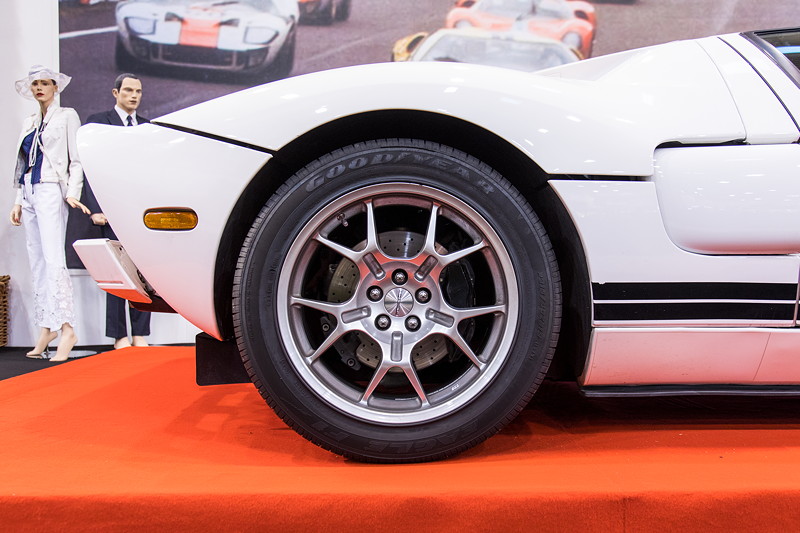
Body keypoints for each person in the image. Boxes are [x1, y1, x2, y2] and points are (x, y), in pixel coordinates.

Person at [8, 65, 90, 362]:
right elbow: (24, 164)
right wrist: (18, 199)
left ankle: (68, 328)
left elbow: (76, 159)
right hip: (30, 191)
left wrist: (72, 193)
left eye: (45, 83)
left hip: (51, 189)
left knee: (54, 258)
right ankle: (47, 326)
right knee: (37, 260)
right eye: (35, 84)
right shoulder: (31, 121)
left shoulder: (67, 116)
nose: (39, 88)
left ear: (55, 87)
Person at [83, 73, 151, 350]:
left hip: (138, 213)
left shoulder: (147, 127)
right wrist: (95, 210)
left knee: (142, 274)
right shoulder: (98, 123)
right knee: (117, 276)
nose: (134, 95)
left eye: (138, 91)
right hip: (109, 209)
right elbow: (90, 169)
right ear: (115, 93)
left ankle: (140, 333)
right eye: (128, 90)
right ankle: (118, 336)